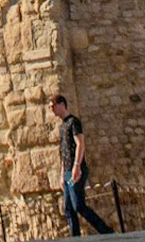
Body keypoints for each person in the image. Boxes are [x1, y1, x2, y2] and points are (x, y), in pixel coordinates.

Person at [48, 97, 114, 236]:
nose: (51, 109)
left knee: (78, 205)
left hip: (76, 170)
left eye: (53, 106)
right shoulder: (62, 126)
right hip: (67, 172)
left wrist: (76, 166)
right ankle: (75, 237)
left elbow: (80, 144)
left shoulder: (74, 122)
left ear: (62, 104)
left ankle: (106, 231)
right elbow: (63, 152)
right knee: (68, 208)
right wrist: (62, 175)